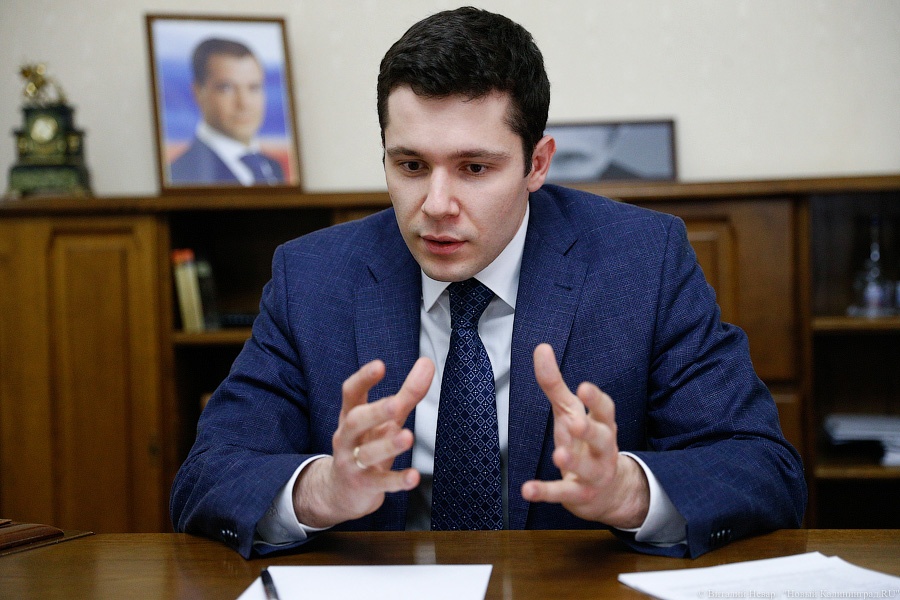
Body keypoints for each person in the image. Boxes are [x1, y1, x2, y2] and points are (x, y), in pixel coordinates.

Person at [171, 7, 806, 559]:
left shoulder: (642, 261)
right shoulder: (313, 277)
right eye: (410, 165)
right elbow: (206, 476)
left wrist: (627, 491)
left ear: (537, 163)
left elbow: (762, 466)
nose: (436, 205)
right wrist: (321, 490)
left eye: (474, 168)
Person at [169, 37, 284, 186]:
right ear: (198, 92)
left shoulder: (273, 168)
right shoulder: (181, 175)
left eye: (254, 87)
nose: (244, 103)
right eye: (226, 88)